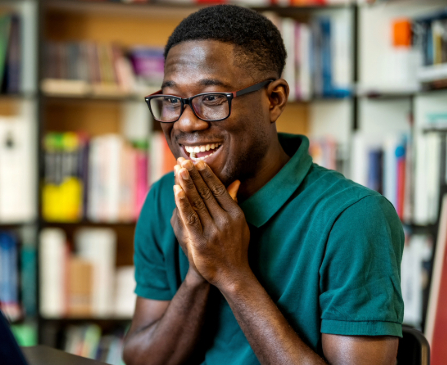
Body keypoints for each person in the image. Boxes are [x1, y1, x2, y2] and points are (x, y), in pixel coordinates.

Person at [122, 5, 404, 365]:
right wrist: (199, 272)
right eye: (173, 100)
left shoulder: (355, 218)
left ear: (274, 99)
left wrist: (232, 274)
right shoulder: (166, 197)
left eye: (211, 99)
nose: (186, 123)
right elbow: (141, 359)